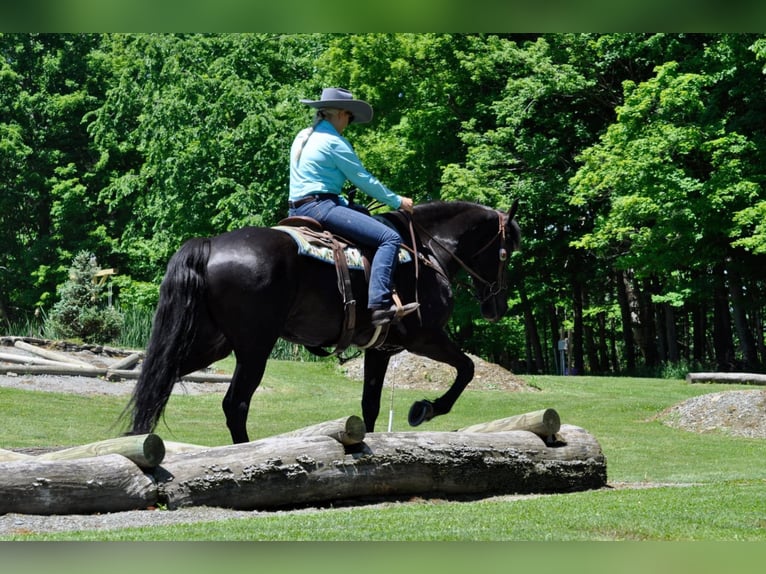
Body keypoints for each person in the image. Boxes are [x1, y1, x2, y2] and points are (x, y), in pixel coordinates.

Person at [289, 87, 418, 327]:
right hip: (320, 207)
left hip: (296, 209)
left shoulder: (304, 136)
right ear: (338, 114)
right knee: (389, 238)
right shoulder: (334, 142)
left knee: (362, 214)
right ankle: (380, 305)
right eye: (349, 115)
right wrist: (397, 201)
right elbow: (363, 179)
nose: (349, 121)